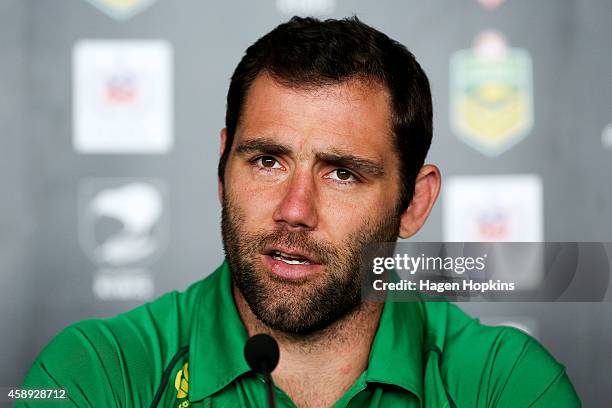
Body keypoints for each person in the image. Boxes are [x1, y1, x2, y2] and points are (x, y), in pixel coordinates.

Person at [20, 16, 580, 407]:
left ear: (414, 203)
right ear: (222, 169)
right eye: (267, 161)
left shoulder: (505, 383)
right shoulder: (95, 372)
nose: (294, 210)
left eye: (342, 173)